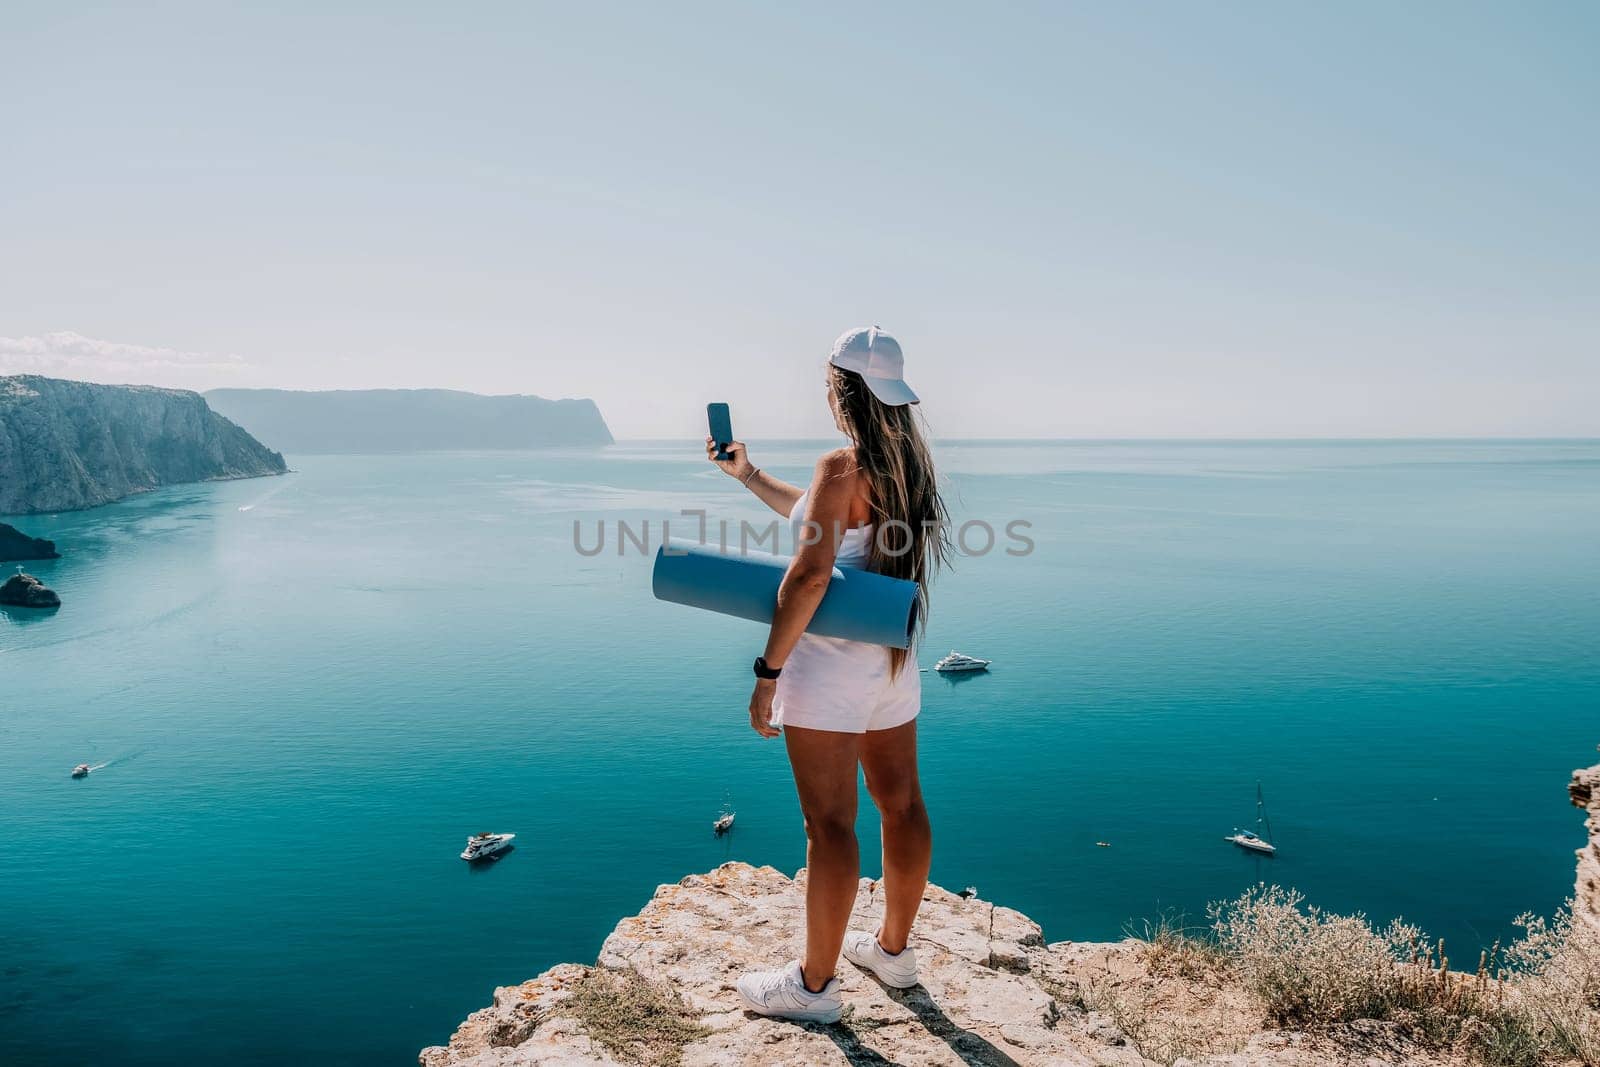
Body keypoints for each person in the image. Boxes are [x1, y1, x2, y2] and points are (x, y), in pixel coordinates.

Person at [705, 326, 951, 1023]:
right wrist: (749, 475)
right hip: (892, 664)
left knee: (830, 824)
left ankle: (814, 988)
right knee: (900, 805)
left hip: (827, 673)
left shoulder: (841, 464)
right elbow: (828, 522)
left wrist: (767, 671)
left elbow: (811, 573)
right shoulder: (911, 466)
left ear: (843, 388)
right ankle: (894, 954)